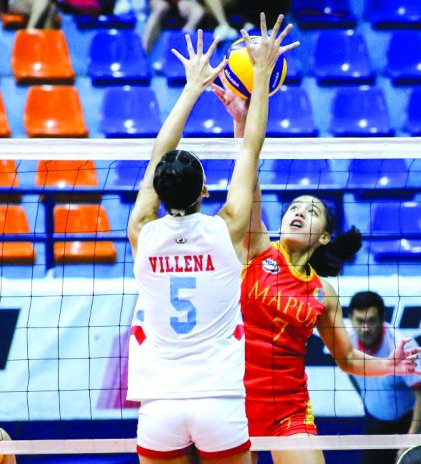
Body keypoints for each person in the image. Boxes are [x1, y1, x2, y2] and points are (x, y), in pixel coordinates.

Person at [211, 81, 421, 464]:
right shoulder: (257, 248)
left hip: (289, 411)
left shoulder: (322, 293)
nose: (297, 212)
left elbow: (347, 358)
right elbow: (249, 178)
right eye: (294, 207)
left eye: (310, 212)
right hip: (232, 403)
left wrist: (389, 365)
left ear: (324, 236)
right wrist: (241, 125)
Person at [126, 15, 298, 464]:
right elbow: (250, 147)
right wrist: (260, 75)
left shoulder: (142, 233)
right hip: (219, 398)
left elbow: (158, 152)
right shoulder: (227, 228)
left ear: (156, 193)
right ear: (205, 191)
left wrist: (191, 88)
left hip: (159, 401)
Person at [348, 291, 421, 464]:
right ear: (350, 318)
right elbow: (353, 376)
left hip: (412, 417)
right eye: (359, 321)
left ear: (382, 319)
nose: (365, 328)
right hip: (378, 420)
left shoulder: (401, 345)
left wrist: (410, 440)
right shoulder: (345, 344)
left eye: (371, 321)